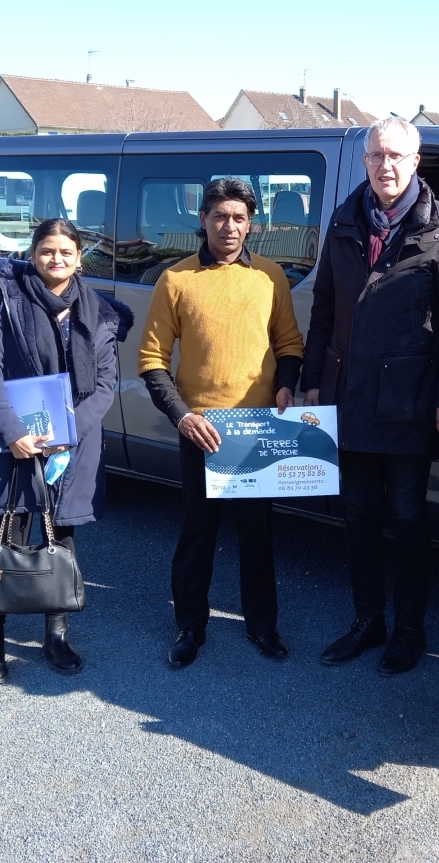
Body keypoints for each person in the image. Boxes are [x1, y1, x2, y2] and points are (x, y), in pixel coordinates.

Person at [302, 116, 439, 675]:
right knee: (356, 513)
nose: (386, 165)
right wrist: (312, 382)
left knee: (406, 515)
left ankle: (409, 629)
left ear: (415, 161)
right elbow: (325, 309)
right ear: (364, 162)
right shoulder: (345, 219)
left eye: (397, 155)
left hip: (410, 398)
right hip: (350, 395)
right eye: (376, 156)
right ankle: (366, 620)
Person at [138, 178, 306, 669]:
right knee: (198, 532)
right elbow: (151, 359)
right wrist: (182, 415)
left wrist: (287, 384)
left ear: (251, 223)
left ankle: (262, 625)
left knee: (258, 534)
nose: (229, 226)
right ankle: (190, 626)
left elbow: (289, 342)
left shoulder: (271, 276)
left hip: (256, 429)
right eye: (219, 217)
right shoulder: (177, 279)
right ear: (204, 220)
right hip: (204, 431)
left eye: (239, 217)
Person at [0, 218, 129, 685]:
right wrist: (13, 431)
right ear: (33, 255)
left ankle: (55, 634)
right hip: (12, 441)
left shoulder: (98, 312)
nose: (55, 260)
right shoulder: (8, 303)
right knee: (7, 535)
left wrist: (68, 430)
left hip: (71, 443)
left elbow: (104, 385)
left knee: (62, 536)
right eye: (46, 252)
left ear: (80, 258)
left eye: (65, 252)